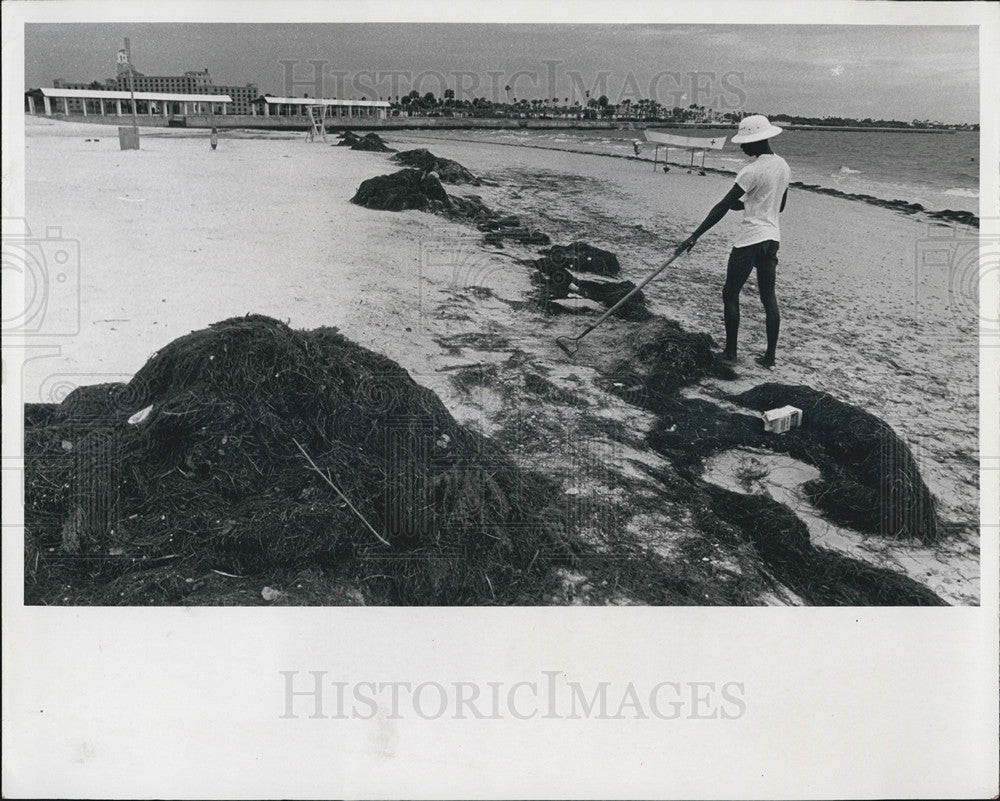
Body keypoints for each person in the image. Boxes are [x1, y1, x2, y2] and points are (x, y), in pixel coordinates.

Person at [675, 114, 790, 368]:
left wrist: (694, 236)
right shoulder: (783, 165)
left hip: (750, 239)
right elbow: (778, 205)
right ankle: (770, 358)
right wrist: (749, 204)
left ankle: (730, 353)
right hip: (772, 238)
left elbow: (722, 206)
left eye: (745, 142)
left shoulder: (750, 171)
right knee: (768, 298)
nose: (742, 147)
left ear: (758, 140)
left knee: (730, 293)